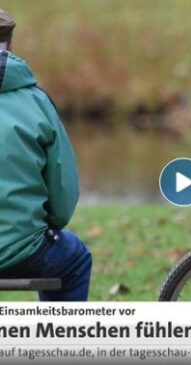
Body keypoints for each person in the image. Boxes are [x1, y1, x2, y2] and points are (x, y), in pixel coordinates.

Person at [0, 9, 92, 301]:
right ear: (11, 45)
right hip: (20, 251)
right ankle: (56, 344)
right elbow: (62, 200)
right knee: (75, 259)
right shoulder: (37, 101)